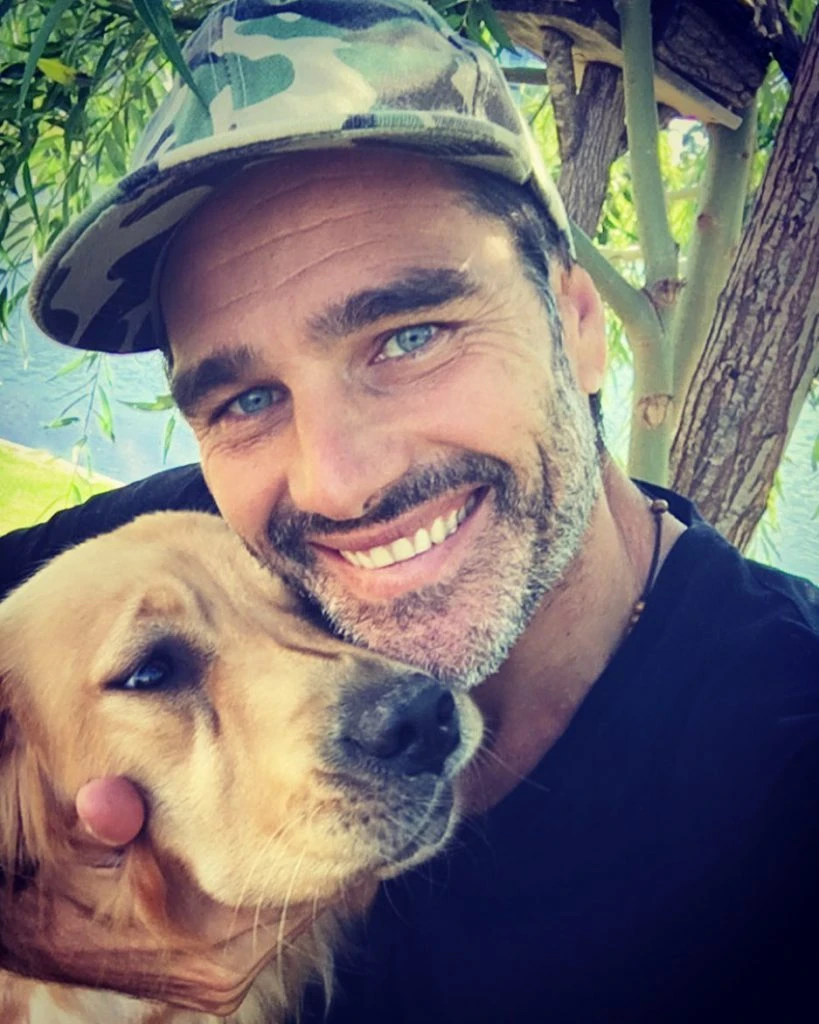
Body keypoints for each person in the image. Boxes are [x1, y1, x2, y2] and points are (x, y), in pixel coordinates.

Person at [3, 0, 818, 1020]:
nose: (337, 482)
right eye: (246, 399)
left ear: (576, 325)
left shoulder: (789, 773)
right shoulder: (216, 548)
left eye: (411, 336)